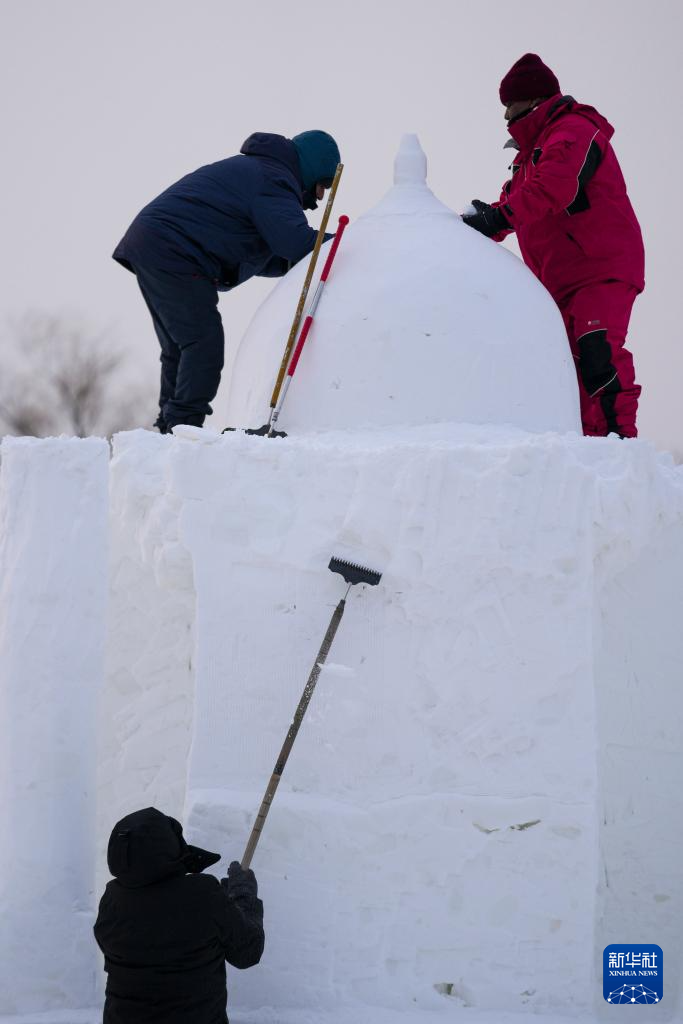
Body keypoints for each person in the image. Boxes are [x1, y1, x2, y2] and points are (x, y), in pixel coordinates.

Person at [462, 54, 644, 438]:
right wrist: (477, 225)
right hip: (557, 281)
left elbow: (553, 188)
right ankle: (588, 448)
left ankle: (620, 446)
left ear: (533, 100)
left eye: (510, 104)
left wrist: (496, 219)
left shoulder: (573, 132)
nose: (505, 114)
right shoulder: (529, 156)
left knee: (597, 351)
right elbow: (516, 201)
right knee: (567, 369)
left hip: (598, 268)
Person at [113, 130, 341, 433]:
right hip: (175, 249)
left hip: (156, 244)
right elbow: (295, 242)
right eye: (324, 184)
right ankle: (183, 428)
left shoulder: (261, 174)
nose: (321, 196)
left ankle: (171, 429)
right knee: (203, 343)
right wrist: (349, 242)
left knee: (182, 347)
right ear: (313, 167)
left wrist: (297, 260)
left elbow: (268, 254)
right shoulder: (274, 180)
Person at [94, 807, 264, 1024]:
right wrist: (242, 894)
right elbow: (248, 951)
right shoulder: (204, 894)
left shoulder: (112, 900)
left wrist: (221, 903)